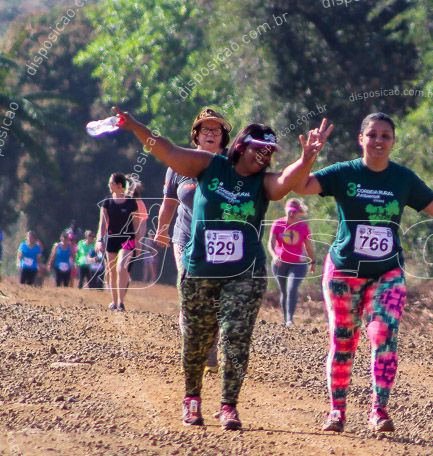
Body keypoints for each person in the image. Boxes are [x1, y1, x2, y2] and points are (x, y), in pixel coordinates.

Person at [113, 107, 333, 431]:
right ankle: (192, 399)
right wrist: (134, 126)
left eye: (270, 152)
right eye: (260, 149)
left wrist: (308, 157)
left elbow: (289, 180)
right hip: (201, 269)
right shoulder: (209, 165)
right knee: (196, 338)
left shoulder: (264, 183)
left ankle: (229, 405)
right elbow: (168, 152)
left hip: (246, 271)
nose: (265, 156)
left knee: (235, 335)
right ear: (242, 146)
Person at [292, 112, 433, 433]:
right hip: (343, 271)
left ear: (394, 141)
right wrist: (308, 157)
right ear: (361, 139)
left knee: (383, 335)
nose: (379, 141)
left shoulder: (403, 178)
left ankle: (379, 411)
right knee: (344, 342)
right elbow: (300, 186)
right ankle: (337, 412)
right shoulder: (344, 173)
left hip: (387, 272)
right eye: (372, 135)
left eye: (386, 135)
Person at [154, 107, 233, 372]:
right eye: (205, 129)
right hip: (185, 236)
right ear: (196, 135)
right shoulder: (179, 164)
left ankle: (212, 342)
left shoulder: (233, 166)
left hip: (222, 241)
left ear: (223, 137)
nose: (211, 134)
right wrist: (161, 230)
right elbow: (169, 203)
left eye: (216, 129)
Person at [96, 172, 147, 310]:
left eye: (111, 183)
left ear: (119, 185)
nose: (109, 185)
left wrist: (138, 241)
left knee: (121, 267)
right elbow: (102, 223)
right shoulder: (107, 202)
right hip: (112, 238)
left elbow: (136, 223)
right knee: (111, 270)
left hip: (128, 239)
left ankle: (121, 302)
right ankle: (114, 301)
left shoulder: (131, 202)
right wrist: (100, 240)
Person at [268, 198, 316, 326]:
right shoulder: (277, 224)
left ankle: (290, 319)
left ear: (298, 212)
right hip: (280, 263)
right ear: (286, 210)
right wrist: (274, 256)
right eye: (289, 211)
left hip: (298, 263)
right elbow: (270, 243)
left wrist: (313, 261)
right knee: (283, 290)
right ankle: (285, 319)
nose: (291, 214)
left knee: (292, 288)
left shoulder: (303, 227)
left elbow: (308, 246)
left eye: (294, 212)